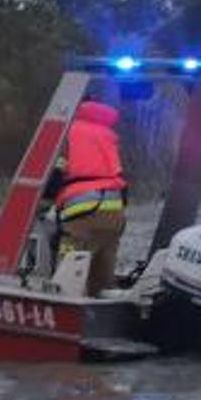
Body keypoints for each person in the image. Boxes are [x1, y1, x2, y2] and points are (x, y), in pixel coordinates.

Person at [53, 98, 128, 296]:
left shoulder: (68, 131)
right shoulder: (107, 134)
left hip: (81, 212)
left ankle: (64, 310)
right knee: (102, 275)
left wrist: (46, 199)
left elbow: (56, 173)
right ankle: (105, 308)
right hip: (114, 211)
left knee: (67, 275)